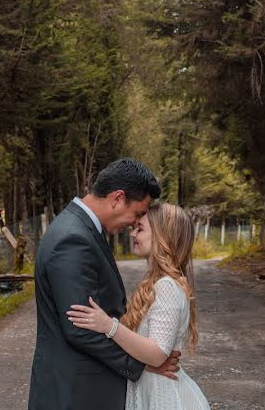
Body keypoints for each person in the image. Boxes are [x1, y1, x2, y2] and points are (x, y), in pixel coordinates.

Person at [28, 158, 180, 410]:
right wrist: (143, 365)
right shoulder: (73, 238)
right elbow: (79, 327)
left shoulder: (83, 229)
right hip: (76, 394)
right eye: (138, 213)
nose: (135, 223)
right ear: (118, 198)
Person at [68, 203, 210, 410]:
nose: (132, 233)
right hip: (150, 389)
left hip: (163, 398)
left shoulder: (167, 287)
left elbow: (157, 353)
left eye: (140, 229)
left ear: (163, 236)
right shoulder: (157, 283)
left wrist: (109, 326)